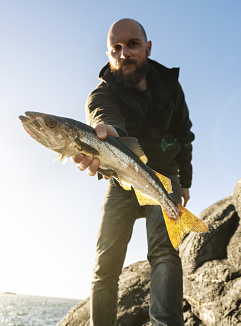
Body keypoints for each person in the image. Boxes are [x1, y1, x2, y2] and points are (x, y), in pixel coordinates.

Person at [72, 18, 195, 326]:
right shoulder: (101, 94)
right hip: (121, 181)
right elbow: (102, 115)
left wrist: (185, 183)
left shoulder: (170, 86)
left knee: (165, 255)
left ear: (148, 47)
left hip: (165, 176)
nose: (124, 53)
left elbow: (184, 134)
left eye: (132, 44)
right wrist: (107, 133)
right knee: (105, 268)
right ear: (108, 54)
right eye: (116, 48)